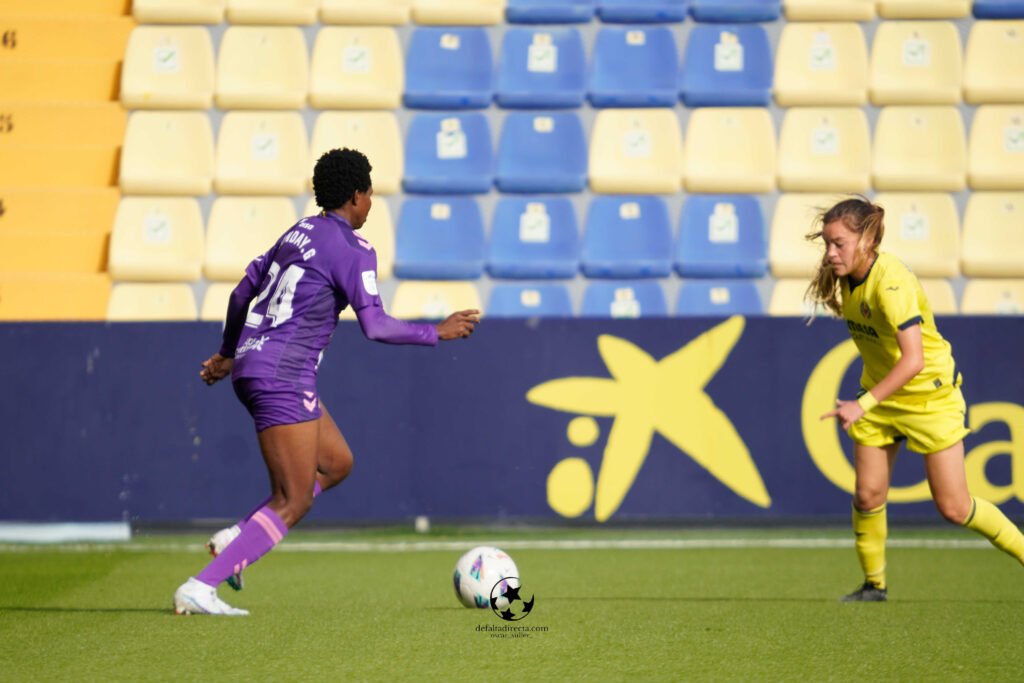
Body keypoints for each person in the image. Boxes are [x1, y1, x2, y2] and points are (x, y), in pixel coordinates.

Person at [173, 148, 480, 615]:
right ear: (356, 196)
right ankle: (201, 586)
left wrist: (228, 353)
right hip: (283, 374)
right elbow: (375, 325)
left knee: (336, 463)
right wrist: (435, 332)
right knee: (294, 500)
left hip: (255, 365)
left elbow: (241, 293)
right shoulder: (354, 250)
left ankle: (237, 537)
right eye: (370, 193)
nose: (371, 202)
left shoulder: (297, 233)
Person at [806, 196, 1024, 602]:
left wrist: (861, 404)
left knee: (954, 508)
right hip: (881, 395)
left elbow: (914, 360)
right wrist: (870, 402)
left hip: (929, 397)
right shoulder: (846, 275)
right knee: (868, 495)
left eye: (839, 243)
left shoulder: (891, 283)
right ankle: (874, 585)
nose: (831, 253)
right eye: (827, 243)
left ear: (867, 240)